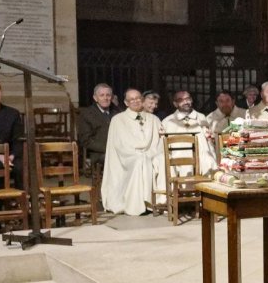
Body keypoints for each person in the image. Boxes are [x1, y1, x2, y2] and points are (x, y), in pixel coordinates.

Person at [101, 88, 162, 216]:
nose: (135, 101)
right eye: (131, 99)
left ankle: (154, 203)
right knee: (139, 160)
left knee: (157, 161)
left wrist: (151, 153)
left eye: (138, 98)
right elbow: (118, 145)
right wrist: (136, 153)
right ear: (126, 102)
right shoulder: (118, 119)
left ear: (142, 100)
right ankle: (137, 204)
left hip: (150, 154)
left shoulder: (153, 119)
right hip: (127, 157)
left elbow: (160, 142)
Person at [162, 91, 215, 173]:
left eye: (187, 99)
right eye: (181, 100)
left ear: (191, 100)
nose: (185, 102)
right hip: (178, 158)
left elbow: (209, 142)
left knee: (208, 161)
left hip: (201, 155)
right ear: (175, 104)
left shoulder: (201, 117)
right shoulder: (168, 121)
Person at [77, 82, 118, 177]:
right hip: (99, 153)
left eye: (108, 95)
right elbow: (85, 140)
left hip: (118, 150)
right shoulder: (87, 114)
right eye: (102, 95)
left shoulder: (117, 112)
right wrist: (108, 149)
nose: (105, 98)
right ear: (95, 98)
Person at [0, 78, 24, 188]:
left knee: (20, 166)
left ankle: (21, 201)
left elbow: (18, 140)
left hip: (9, 156)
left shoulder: (13, 114)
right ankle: (0, 203)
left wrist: (11, 156)